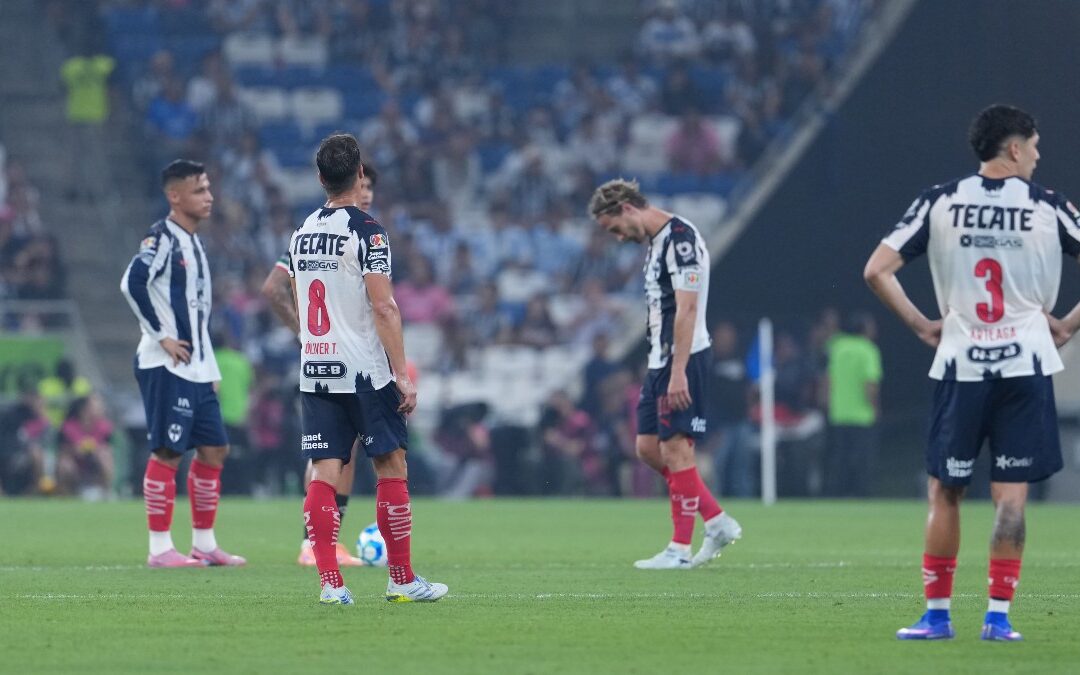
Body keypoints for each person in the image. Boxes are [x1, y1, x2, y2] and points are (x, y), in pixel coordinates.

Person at [864, 104, 1080, 642]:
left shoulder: (939, 201)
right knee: (1011, 498)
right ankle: (998, 618)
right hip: (1026, 366)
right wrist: (1069, 325)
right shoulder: (1047, 207)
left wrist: (920, 324)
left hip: (961, 364)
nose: (1037, 154)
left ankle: (936, 617)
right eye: (1033, 144)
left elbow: (876, 270)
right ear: (1012, 148)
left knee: (945, 490)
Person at [289, 133, 446, 604]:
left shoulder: (301, 232)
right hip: (364, 370)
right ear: (360, 173)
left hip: (316, 368)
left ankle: (331, 586)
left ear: (320, 178)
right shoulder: (368, 231)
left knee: (324, 471)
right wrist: (401, 373)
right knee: (390, 463)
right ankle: (401, 579)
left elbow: (300, 304)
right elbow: (385, 308)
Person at [589, 178, 741, 569]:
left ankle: (679, 548)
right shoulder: (656, 244)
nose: (619, 238)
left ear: (626, 208)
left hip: (684, 358)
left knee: (677, 449)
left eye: (615, 228)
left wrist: (678, 373)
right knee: (647, 448)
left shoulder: (680, 239)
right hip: (660, 359)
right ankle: (717, 520)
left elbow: (687, 310)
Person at [120, 159, 245, 568]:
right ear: (175, 196)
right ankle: (159, 549)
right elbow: (131, 282)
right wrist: (161, 336)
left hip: (196, 367)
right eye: (199, 190)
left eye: (208, 189)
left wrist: (209, 368)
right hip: (166, 363)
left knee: (215, 449)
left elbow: (198, 311)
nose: (208, 197)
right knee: (168, 453)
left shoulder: (195, 242)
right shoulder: (161, 239)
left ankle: (204, 544)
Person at [261, 163, 377, 568]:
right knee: (327, 454)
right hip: (333, 361)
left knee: (346, 452)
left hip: (344, 360)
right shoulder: (321, 236)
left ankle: (327, 543)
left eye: (369, 190)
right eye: (359, 187)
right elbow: (273, 288)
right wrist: (304, 333)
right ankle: (313, 544)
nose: (364, 195)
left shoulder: (340, 235)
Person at [823, 312, 881, 497]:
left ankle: (837, 494)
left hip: (838, 412)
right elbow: (870, 383)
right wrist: (874, 406)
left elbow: (828, 378)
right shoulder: (868, 349)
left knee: (839, 459)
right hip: (862, 415)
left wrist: (825, 401)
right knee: (863, 460)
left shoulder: (838, 347)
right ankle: (862, 494)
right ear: (864, 329)